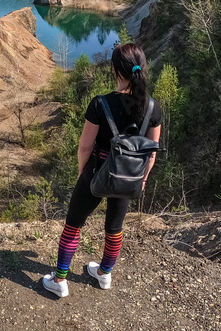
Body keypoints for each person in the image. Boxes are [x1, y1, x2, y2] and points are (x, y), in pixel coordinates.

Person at [42, 42, 162, 297]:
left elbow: (85, 147)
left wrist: (83, 173)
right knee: (115, 227)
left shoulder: (101, 103)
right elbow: (150, 154)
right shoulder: (153, 108)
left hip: (98, 171)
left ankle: (60, 280)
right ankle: (104, 273)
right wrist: (142, 179)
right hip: (129, 174)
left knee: (74, 224)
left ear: (116, 70)